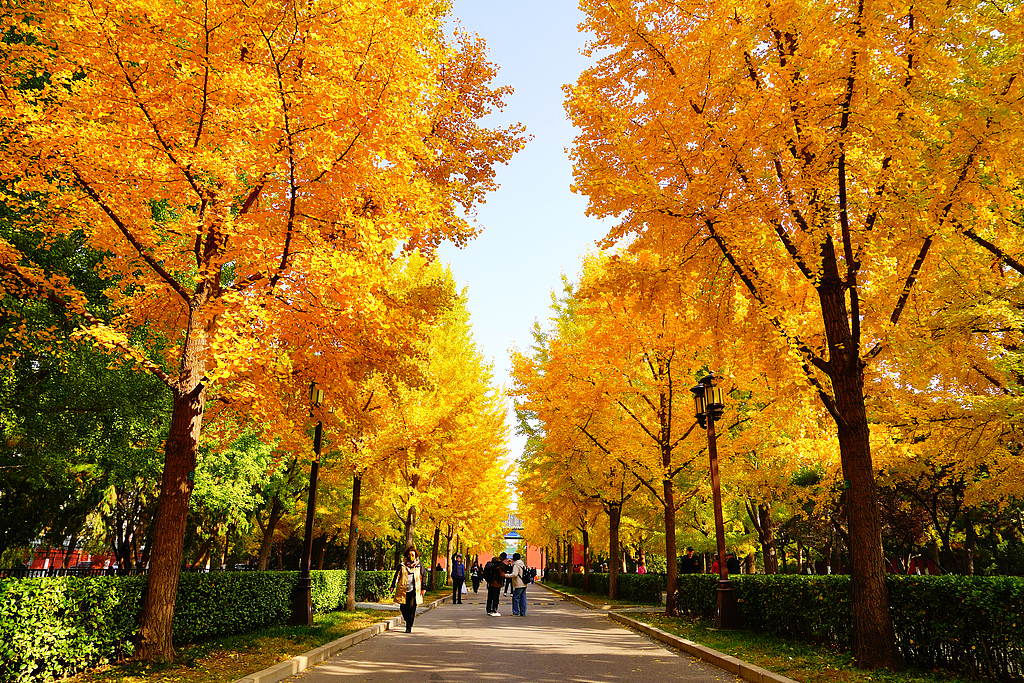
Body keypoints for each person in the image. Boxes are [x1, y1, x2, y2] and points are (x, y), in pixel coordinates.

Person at [392, 547, 425, 633]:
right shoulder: (402, 565)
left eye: (412, 555)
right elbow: (396, 575)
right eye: (409, 554)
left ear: (415, 555)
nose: (411, 556)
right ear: (407, 555)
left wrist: (423, 587)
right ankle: (407, 620)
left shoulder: (418, 565)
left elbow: (424, 575)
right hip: (403, 589)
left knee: (411, 608)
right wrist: (392, 586)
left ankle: (409, 625)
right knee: (403, 607)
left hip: (414, 590)